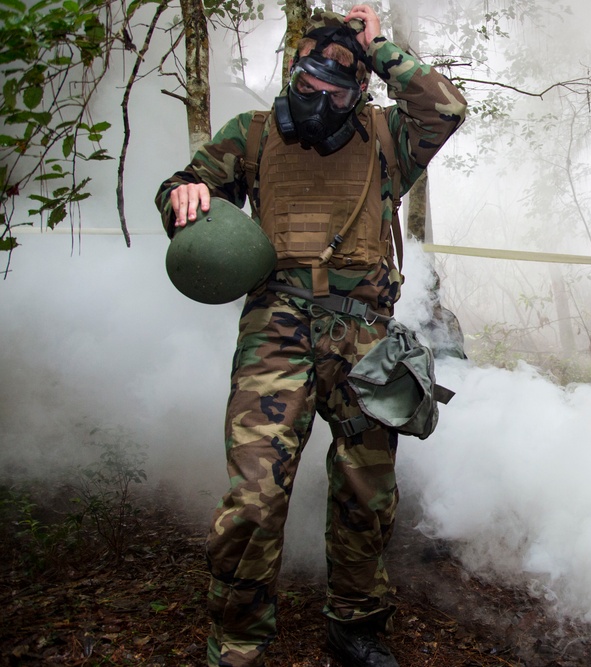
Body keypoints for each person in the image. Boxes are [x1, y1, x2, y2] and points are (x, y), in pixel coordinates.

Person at [154, 5, 467, 666]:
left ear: (361, 92)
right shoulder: (256, 134)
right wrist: (183, 198)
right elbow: (187, 185)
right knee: (254, 495)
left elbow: (445, 107)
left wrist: (380, 47)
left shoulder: (387, 137)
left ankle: (356, 625)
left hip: (365, 339)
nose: (319, 100)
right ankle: (235, 641)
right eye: (308, 85)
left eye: (337, 89)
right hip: (278, 328)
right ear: (291, 74)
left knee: (367, 489)